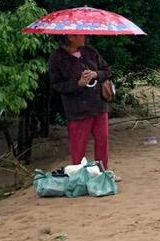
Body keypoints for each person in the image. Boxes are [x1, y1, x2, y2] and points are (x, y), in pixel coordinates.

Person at [48, 35, 112, 170]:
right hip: (77, 109)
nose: (84, 37)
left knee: (102, 140)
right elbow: (56, 85)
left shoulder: (90, 51)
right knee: (78, 145)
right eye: (80, 34)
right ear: (70, 37)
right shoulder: (57, 57)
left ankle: (103, 172)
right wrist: (78, 84)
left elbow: (107, 70)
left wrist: (95, 74)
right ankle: (78, 174)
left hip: (98, 104)